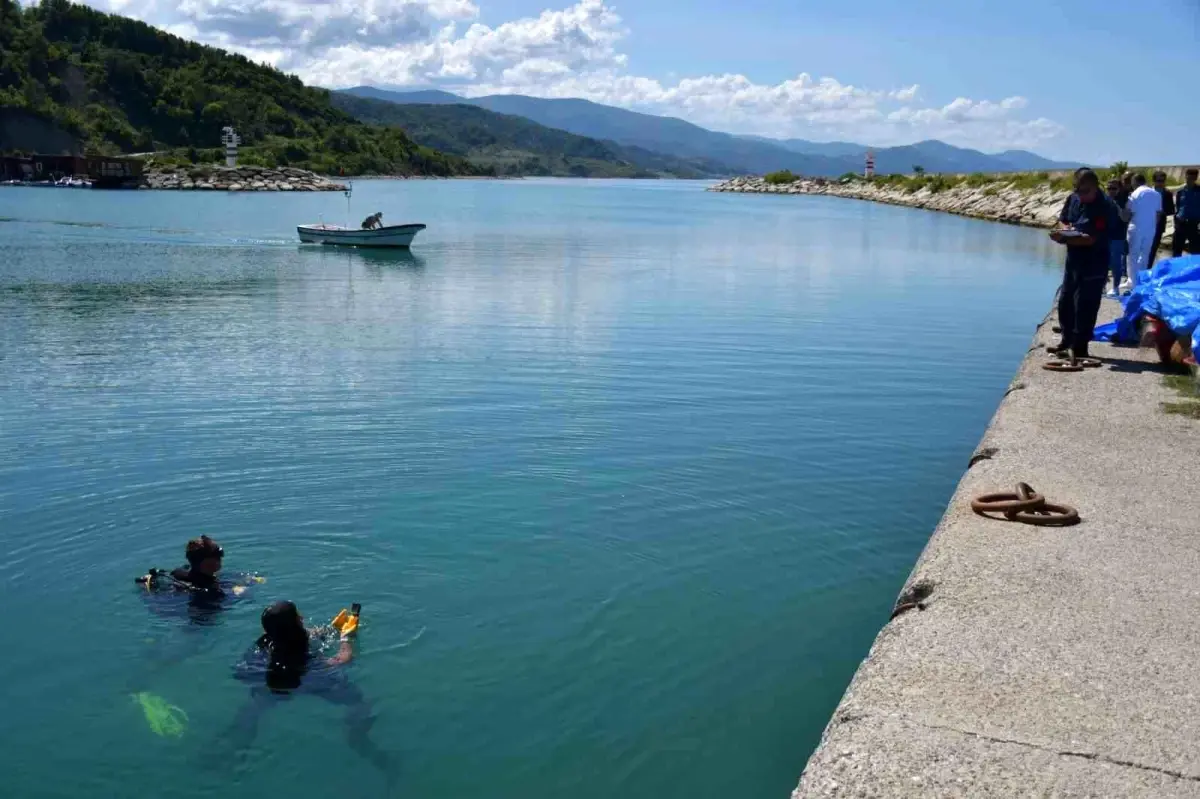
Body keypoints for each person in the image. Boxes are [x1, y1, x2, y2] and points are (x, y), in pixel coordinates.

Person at [224, 601, 396, 783]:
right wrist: (346, 638)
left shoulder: (268, 639)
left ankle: (231, 749)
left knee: (251, 712)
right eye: (298, 616)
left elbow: (305, 634)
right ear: (294, 624)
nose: (302, 617)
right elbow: (341, 660)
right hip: (308, 678)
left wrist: (332, 629)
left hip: (272, 681)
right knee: (358, 702)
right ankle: (357, 737)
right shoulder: (299, 647)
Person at [1050, 169, 1113, 361]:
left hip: (1094, 261)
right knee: (1066, 301)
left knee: (1085, 305)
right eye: (1078, 190)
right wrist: (1065, 229)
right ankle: (1066, 340)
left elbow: (1090, 239)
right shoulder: (1074, 199)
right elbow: (1063, 219)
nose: (1081, 195)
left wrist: (1062, 239)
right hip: (1074, 260)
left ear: (1095, 187)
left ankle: (1080, 348)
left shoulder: (1104, 206)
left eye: (1085, 191)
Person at [1125, 173, 1162, 291]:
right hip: (1150, 228)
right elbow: (1158, 213)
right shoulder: (1156, 194)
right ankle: (1142, 280)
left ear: (1134, 182)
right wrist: (1153, 226)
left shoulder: (1135, 194)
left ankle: (1132, 281)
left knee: (1132, 255)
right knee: (1145, 254)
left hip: (1136, 227)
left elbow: (1129, 211)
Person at [1104, 178, 1129, 298]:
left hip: (1118, 236)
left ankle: (1115, 288)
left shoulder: (1124, 201)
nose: (1111, 191)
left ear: (1119, 189)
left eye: (1114, 188)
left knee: (1116, 264)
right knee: (1103, 262)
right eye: (1109, 188)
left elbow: (1126, 218)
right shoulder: (1104, 200)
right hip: (1104, 235)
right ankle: (1102, 287)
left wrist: (1118, 206)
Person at [1149, 170, 1176, 267]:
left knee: (1153, 248)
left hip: (1159, 225)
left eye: (1162, 181)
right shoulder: (1148, 192)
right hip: (1146, 224)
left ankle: (1149, 269)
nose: (1160, 183)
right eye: (1158, 180)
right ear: (1154, 181)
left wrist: (1162, 212)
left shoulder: (1167, 194)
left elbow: (1171, 210)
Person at [1174, 167, 1200, 257]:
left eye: (1193, 178)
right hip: (1181, 224)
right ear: (1185, 177)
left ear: (1196, 178)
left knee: (1196, 251)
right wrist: (1176, 221)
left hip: (1194, 224)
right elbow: (1178, 207)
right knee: (1177, 251)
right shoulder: (1180, 192)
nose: (1191, 180)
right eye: (1189, 178)